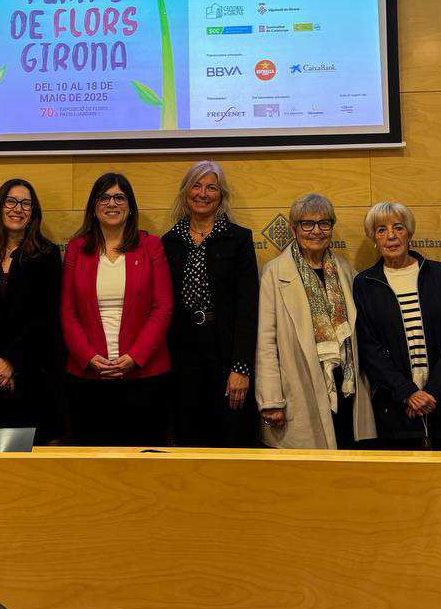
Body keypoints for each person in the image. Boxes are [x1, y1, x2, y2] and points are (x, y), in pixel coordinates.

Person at [255, 194, 376, 450]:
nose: (316, 231)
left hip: (346, 387)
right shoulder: (274, 273)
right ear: (293, 229)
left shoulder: (345, 270)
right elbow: (266, 342)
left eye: (324, 223)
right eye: (307, 224)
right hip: (299, 389)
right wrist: (271, 399)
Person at [60, 172, 172, 446]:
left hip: (144, 376)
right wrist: (89, 356)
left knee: (143, 459)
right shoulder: (76, 248)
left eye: (119, 198)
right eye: (104, 198)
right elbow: (68, 311)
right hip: (89, 377)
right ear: (94, 207)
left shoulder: (151, 246)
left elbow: (163, 307)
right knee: (93, 460)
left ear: (130, 207)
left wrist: (135, 356)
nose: (112, 204)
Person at [353, 202, 441, 450]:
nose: (391, 236)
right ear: (374, 239)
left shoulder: (439, 274)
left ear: (409, 233)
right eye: (381, 230)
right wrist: (408, 392)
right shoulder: (365, 283)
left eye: (398, 227)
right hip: (396, 407)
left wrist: (434, 392)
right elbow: (369, 348)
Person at [0, 179, 65, 440]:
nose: (18, 209)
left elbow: (47, 319)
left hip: (31, 378)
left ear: (33, 212)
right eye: (11, 201)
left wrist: (12, 362)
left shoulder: (47, 255)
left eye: (26, 204)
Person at [161, 160, 259, 447]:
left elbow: (247, 308)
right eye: (196, 186)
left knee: (231, 440)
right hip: (183, 356)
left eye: (211, 188)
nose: (203, 194)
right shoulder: (168, 242)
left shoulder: (239, 239)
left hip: (226, 352)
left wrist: (240, 367)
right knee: (189, 440)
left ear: (221, 195)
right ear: (185, 192)